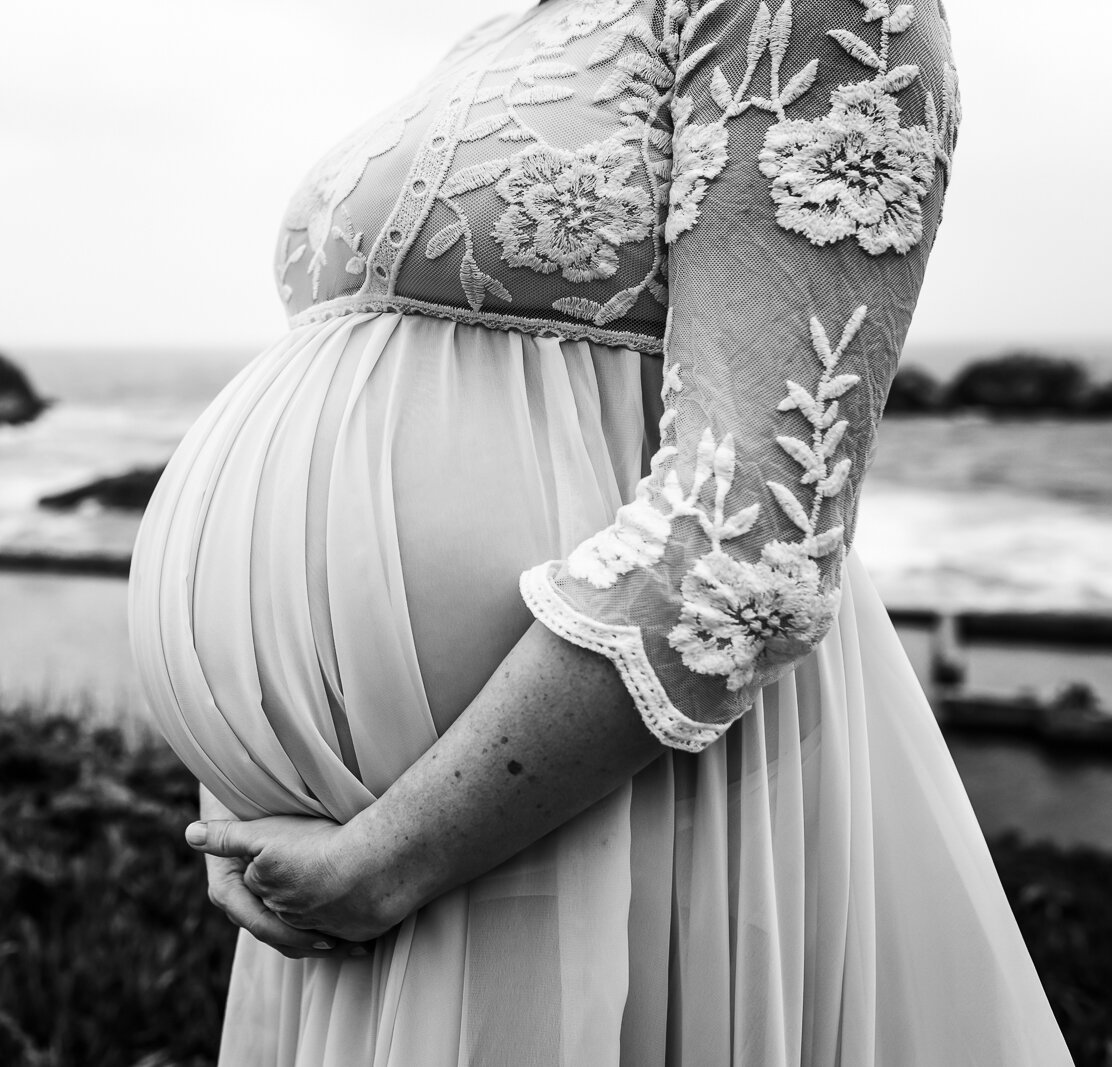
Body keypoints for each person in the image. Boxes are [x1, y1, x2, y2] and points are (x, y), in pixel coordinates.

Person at [127, 0, 1075, 1062]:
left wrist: (391, 856)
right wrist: (247, 778)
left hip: (560, 824)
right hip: (348, 845)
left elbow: (753, 527)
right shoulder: (509, 28)